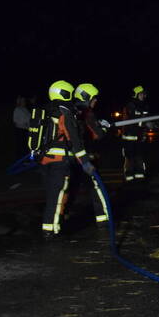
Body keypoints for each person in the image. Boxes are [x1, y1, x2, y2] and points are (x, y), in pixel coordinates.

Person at [39, 80, 94, 238]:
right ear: (66, 94)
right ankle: (50, 231)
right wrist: (85, 162)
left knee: (51, 195)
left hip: (44, 161)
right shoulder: (65, 113)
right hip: (59, 161)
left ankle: (49, 227)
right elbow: (74, 140)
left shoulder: (46, 111)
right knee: (56, 197)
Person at [73, 82, 111, 226]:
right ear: (86, 97)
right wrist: (104, 128)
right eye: (93, 98)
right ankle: (104, 218)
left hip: (72, 158)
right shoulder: (87, 113)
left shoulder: (72, 112)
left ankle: (59, 219)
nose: (96, 101)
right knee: (97, 187)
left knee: (69, 188)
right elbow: (97, 135)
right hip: (87, 157)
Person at [122, 84, 151, 181]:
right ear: (136, 94)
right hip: (129, 135)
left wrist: (148, 125)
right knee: (129, 156)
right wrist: (144, 123)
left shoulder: (145, 105)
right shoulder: (130, 105)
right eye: (141, 94)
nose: (143, 96)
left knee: (139, 155)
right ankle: (129, 175)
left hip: (139, 135)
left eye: (144, 94)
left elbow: (146, 119)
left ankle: (140, 174)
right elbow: (133, 119)